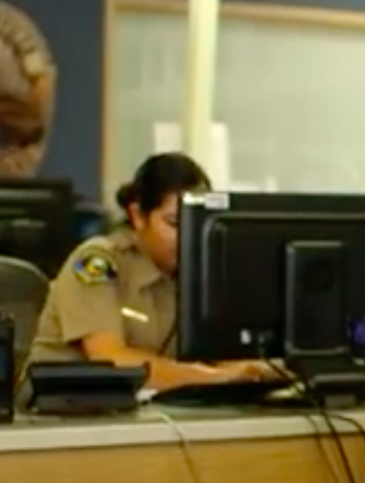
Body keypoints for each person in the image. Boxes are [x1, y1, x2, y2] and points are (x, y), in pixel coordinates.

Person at [25, 153, 275, 395]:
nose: (188, 236)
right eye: (174, 224)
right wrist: (214, 378)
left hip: (150, 414)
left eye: (198, 223)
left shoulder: (200, 272)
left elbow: (219, 357)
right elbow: (109, 359)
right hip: (60, 414)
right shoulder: (98, 262)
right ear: (138, 216)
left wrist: (256, 371)